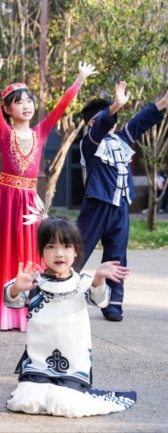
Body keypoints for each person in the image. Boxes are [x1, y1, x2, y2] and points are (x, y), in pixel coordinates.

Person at [0, 54, 97, 331]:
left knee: (29, 252)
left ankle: (30, 306)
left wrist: (79, 80)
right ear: (8, 109)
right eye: (19, 102)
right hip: (4, 200)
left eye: (28, 101)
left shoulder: (40, 132)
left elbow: (61, 108)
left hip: (29, 203)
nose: (26, 105)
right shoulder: (4, 132)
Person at [3, 215, 136, 417]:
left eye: (66, 246)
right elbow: (12, 301)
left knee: (65, 406)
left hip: (73, 366)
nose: (59, 253)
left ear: (76, 251)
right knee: (25, 403)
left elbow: (100, 301)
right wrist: (15, 288)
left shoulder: (82, 282)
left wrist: (98, 280)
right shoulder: (33, 282)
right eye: (50, 246)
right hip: (38, 364)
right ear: (41, 251)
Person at [77, 84, 168, 321]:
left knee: (117, 255)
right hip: (96, 206)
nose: (113, 121)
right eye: (108, 116)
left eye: (114, 116)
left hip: (120, 207)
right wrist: (116, 105)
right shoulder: (90, 142)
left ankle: (113, 304)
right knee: (77, 249)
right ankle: (55, 291)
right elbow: (102, 124)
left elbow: (139, 122)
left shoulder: (121, 139)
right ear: (92, 123)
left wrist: (163, 102)